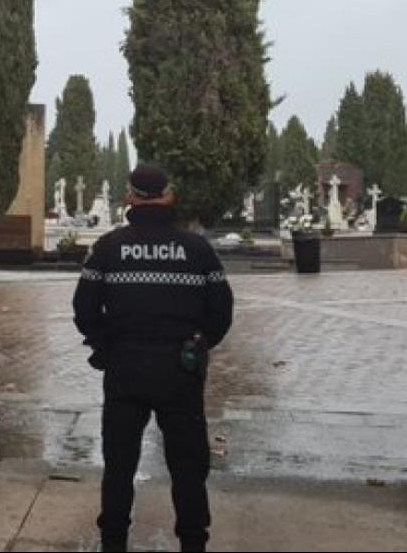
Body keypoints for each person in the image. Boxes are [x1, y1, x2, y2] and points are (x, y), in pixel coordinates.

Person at [73, 164, 234, 553]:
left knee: (120, 466)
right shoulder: (197, 250)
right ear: (169, 195)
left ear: (129, 197)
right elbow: (222, 310)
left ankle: (114, 543)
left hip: (125, 369)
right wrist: (200, 343)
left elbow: (84, 309)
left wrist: (105, 347)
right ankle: (193, 544)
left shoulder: (108, 248)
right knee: (187, 467)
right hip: (180, 370)